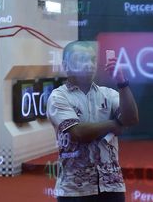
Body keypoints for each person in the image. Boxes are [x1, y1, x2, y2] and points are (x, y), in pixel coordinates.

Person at [47, 40, 139, 201]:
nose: (89, 64)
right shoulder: (58, 96)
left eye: (92, 59)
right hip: (75, 189)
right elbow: (78, 133)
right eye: (81, 59)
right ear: (66, 65)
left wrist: (122, 81)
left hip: (111, 185)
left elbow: (131, 119)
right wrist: (113, 124)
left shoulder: (108, 94)